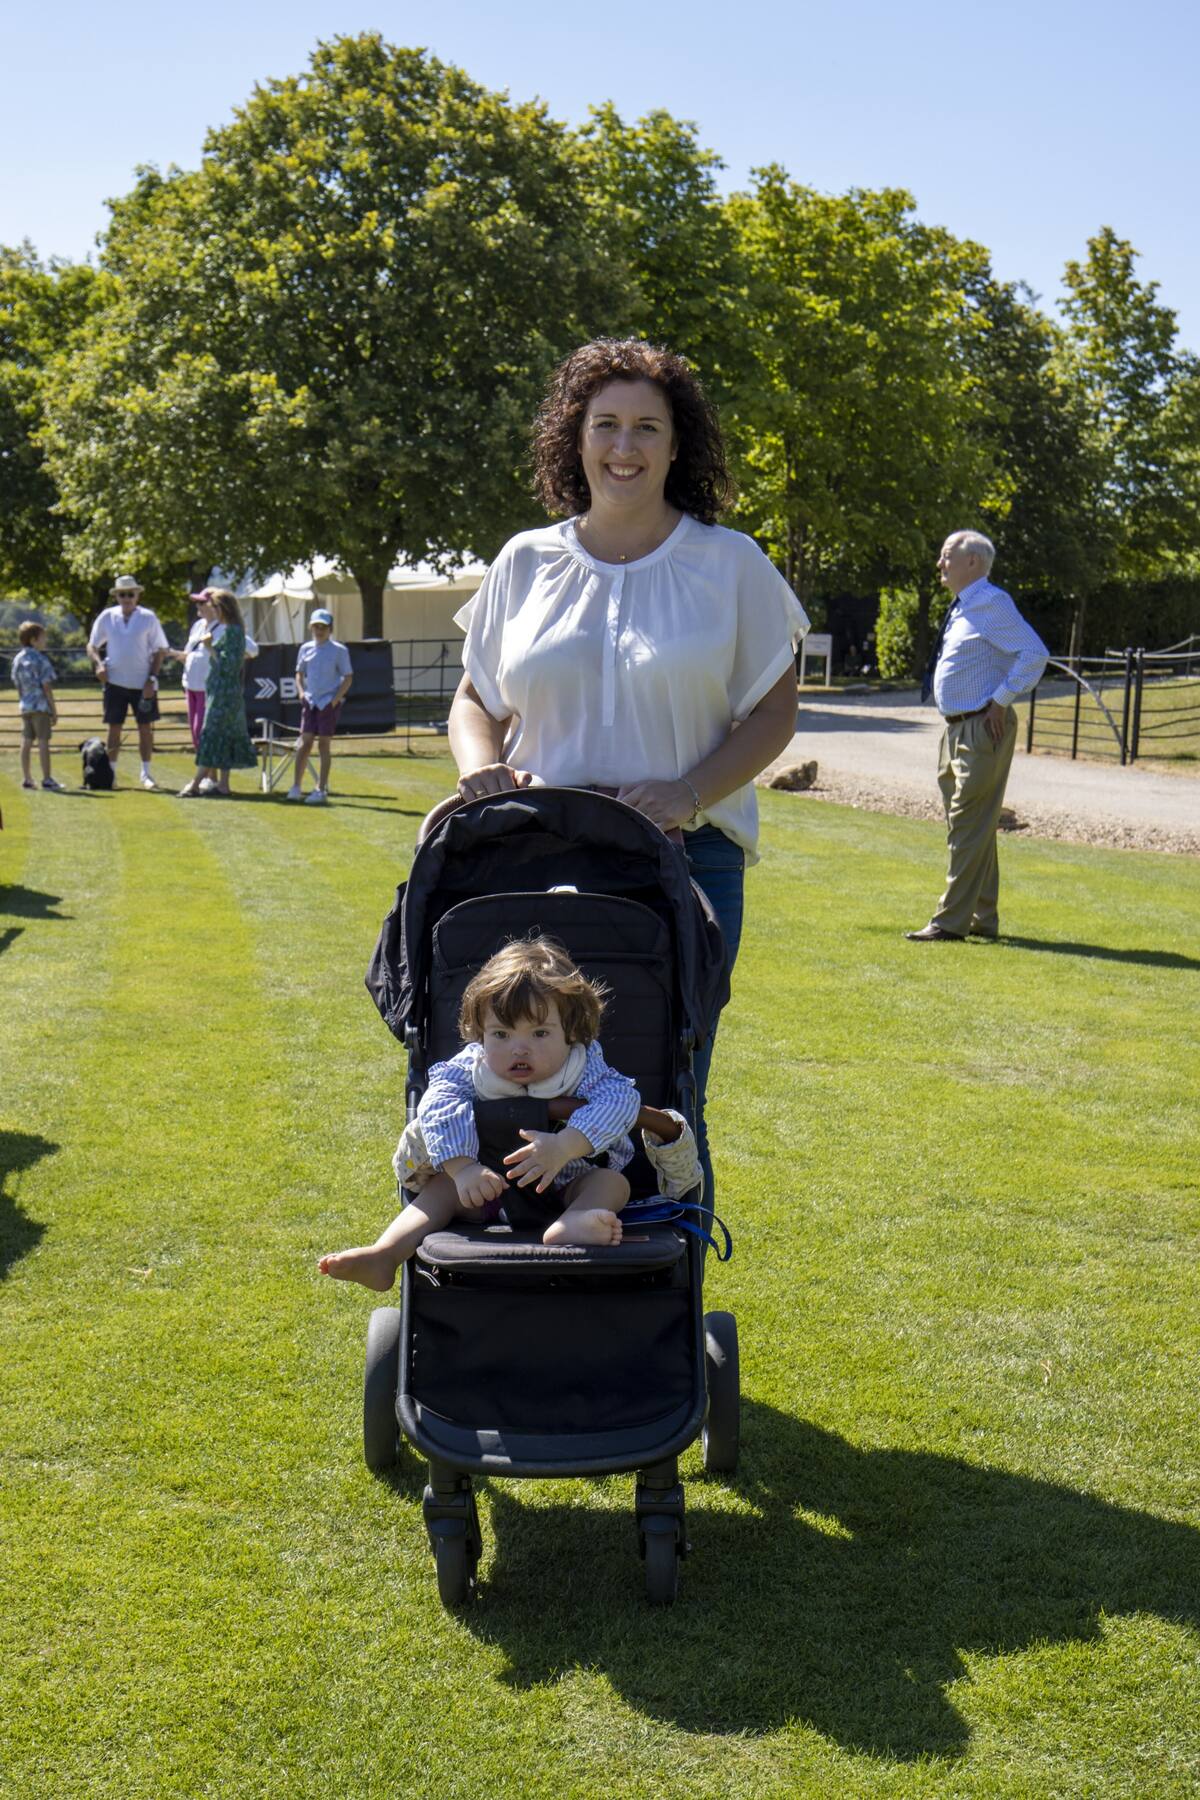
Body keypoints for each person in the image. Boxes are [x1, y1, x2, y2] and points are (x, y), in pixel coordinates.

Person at [446, 338, 809, 1219]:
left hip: (684, 861)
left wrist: (687, 792)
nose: (625, 446)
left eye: (648, 426)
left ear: (678, 445)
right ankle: (517, 1273)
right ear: (574, 440)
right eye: (605, 424)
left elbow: (773, 715)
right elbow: (473, 699)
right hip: (530, 857)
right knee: (514, 1078)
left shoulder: (732, 566)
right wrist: (482, 768)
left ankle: (664, 1296)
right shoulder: (524, 561)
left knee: (665, 1093)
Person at [319, 938, 641, 1290]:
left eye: (540, 1033)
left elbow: (621, 1100)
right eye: (501, 1034)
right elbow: (437, 1104)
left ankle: (573, 1222)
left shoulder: (583, 1066)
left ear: (570, 1032)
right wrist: (463, 1169)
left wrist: (565, 1145)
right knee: (442, 1189)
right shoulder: (471, 1068)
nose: (520, 1048)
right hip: (487, 1189)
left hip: (567, 1186)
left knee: (612, 1184)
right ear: (480, 1034)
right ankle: (386, 1253)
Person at [906, 530, 1048, 942]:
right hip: (955, 729)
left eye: (947, 555)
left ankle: (949, 922)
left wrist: (1001, 700)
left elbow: (1035, 653)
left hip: (983, 726)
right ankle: (982, 918)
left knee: (968, 820)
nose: (940, 563)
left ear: (973, 563)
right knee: (969, 824)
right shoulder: (963, 608)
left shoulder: (991, 602)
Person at [173, 590, 260, 795]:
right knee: (224, 736)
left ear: (224, 609)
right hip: (221, 690)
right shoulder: (232, 630)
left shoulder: (232, 633)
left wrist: (210, 647)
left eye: (215, 607)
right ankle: (223, 784)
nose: (211, 610)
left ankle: (195, 784)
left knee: (210, 735)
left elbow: (227, 665)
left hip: (223, 693)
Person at [86, 575, 169, 789]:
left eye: (130, 594)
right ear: (116, 596)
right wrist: (98, 665)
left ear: (138, 595)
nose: (127, 598)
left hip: (142, 683)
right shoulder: (107, 616)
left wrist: (152, 678)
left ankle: (146, 773)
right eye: (122, 594)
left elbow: (161, 650)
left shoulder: (148, 618)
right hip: (115, 682)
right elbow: (92, 645)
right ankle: (111, 774)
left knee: (145, 729)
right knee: (114, 729)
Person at [288, 609, 353, 805]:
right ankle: (296, 786)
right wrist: (301, 692)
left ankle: (320, 789)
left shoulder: (339, 650)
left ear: (330, 629)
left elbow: (348, 677)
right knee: (305, 741)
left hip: (328, 704)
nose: (319, 630)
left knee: (324, 744)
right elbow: (299, 673)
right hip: (310, 702)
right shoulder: (305, 648)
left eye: (323, 627)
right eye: (316, 626)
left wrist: (334, 701)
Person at [11, 621, 63, 791]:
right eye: (43, 638)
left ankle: (27, 779)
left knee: (26, 741)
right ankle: (47, 779)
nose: (45, 641)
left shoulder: (17, 659)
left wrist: (23, 701)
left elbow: (17, 685)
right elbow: (47, 687)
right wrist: (53, 711)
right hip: (41, 706)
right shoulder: (41, 659)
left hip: (25, 705)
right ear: (33, 640)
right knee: (43, 741)